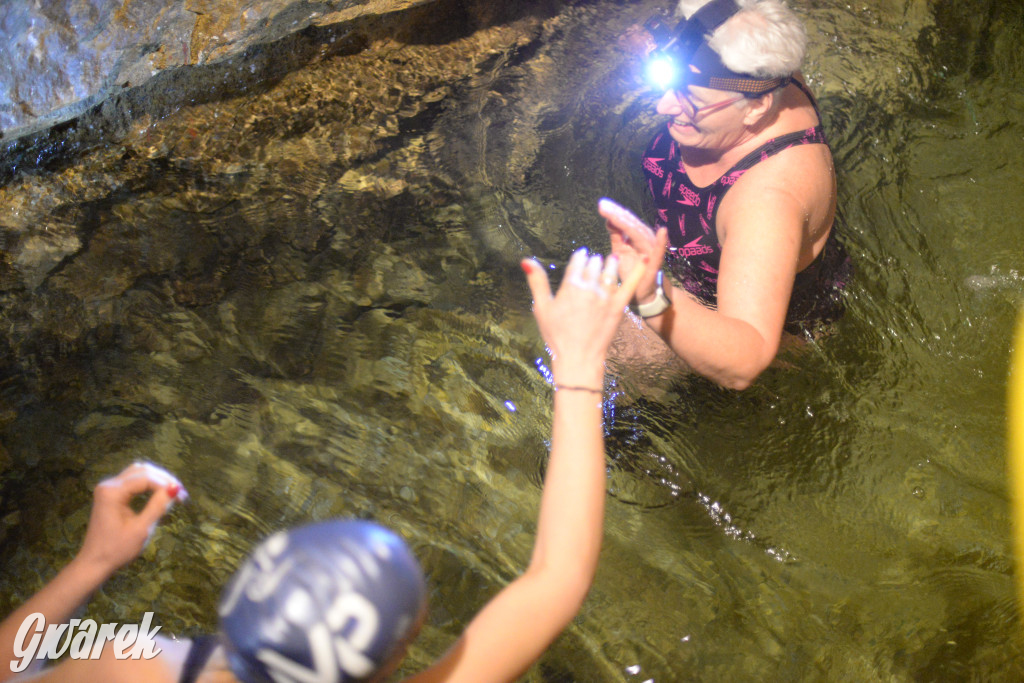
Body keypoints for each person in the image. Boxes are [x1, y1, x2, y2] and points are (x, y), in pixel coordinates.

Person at [0, 243, 646, 683]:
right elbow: (556, 577)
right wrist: (581, 367)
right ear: (393, 659)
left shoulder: (127, 667)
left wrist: (94, 561)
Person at [606, 0, 851, 390]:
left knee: (596, 354)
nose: (663, 105)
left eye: (690, 100)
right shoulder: (755, 58)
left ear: (757, 106)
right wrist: (654, 47)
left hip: (758, 321)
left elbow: (747, 357)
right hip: (698, 258)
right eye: (668, 80)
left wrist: (652, 296)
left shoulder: (766, 202)